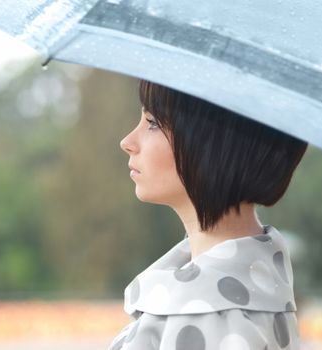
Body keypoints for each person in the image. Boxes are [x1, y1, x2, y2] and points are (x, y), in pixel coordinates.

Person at [111, 79, 308, 350]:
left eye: (153, 122)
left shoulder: (215, 319)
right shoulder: (238, 299)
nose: (127, 142)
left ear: (213, 143)